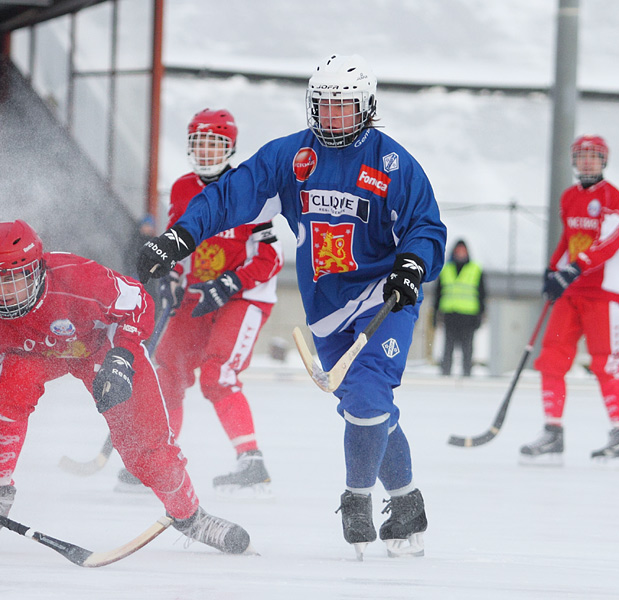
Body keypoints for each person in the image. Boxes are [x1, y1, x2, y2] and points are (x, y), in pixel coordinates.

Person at [135, 54, 446, 560]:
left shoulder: (392, 163)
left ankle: (357, 499)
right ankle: (408, 503)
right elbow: (231, 195)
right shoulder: (292, 158)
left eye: (343, 108)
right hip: (326, 307)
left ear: (366, 109)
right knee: (366, 408)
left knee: (367, 399)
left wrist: (413, 264)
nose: (331, 118)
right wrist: (179, 237)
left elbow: (425, 225)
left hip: (382, 299)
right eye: (322, 107)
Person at [0, 219, 252, 556]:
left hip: (99, 347)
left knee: (145, 450)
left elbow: (139, 302)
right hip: (34, 353)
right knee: (10, 390)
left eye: (14, 279)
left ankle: (190, 515)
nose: (3, 294)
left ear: (37, 270)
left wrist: (123, 356)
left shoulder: (80, 277)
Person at [116, 109, 284, 496]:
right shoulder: (181, 189)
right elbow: (178, 245)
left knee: (217, 374)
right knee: (166, 371)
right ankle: (159, 456)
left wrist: (229, 282)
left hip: (243, 294)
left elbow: (270, 258)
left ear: (230, 147)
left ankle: (251, 461)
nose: (207, 151)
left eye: (215, 143)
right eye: (200, 143)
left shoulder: (251, 188)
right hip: (197, 292)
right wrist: (172, 277)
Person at [520, 135, 619, 465]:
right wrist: (552, 270)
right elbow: (568, 239)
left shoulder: (614, 198)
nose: (587, 162)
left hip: (604, 293)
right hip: (572, 293)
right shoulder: (569, 197)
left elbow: (609, 241)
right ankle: (553, 431)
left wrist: (576, 267)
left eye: (593, 156)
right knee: (551, 359)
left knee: (606, 362)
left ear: (603, 161)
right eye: (581, 156)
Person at [432, 239, 486, 377]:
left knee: (467, 349)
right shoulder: (446, 269)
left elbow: (482, 294)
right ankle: (445, 375)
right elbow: (438, 294)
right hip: (450, 314)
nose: (460, 253)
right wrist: (434, 314)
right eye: (458, 251)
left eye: (463, 251)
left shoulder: (476, 269)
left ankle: (467, 375)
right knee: (448, 348)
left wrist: (481, 314)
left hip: (469, 316)